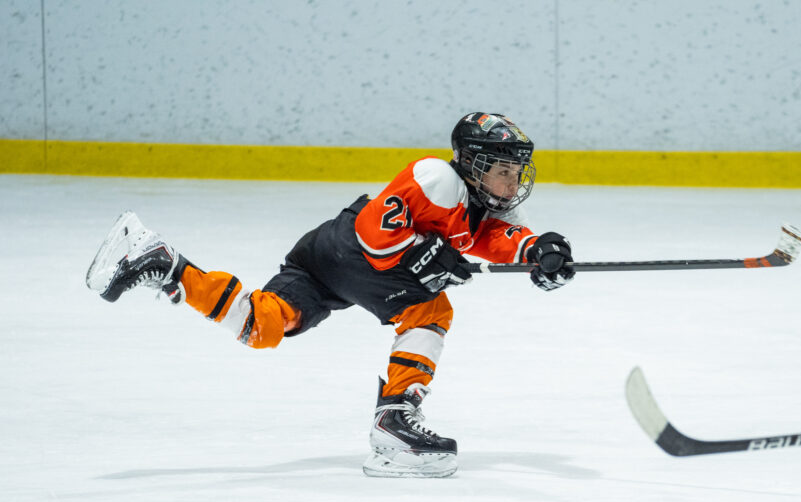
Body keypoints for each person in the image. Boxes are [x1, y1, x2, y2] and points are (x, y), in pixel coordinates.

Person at [86, 112, 575, 479]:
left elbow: (496, 238)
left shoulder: (486, 205)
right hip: (350, 249)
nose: (513, 184)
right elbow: (372, 234)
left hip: (322, 256)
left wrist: (539, 252)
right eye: (503, 171)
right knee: (430, 308)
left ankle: (165, 264)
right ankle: (394, 420)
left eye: (516, 172)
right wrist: (426, 254)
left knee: (263, 326)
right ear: (471, 165)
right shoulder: (438, 177)